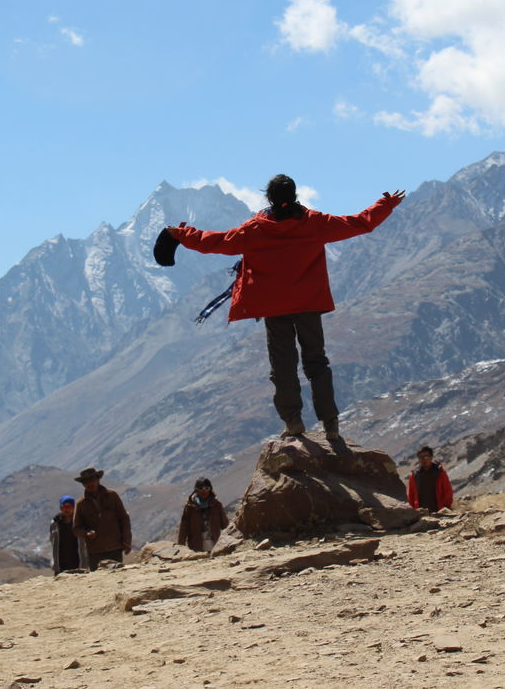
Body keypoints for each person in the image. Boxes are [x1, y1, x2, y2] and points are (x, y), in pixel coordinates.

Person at [168, 175, 404, 439]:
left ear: (269, 198)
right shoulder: (315, 223)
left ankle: (293, 423)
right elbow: (360, 223)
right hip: (308, 305)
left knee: (283, 366)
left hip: (274, 307)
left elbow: (216, 242)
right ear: (294, 195)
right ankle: (330, 424)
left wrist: (181, 235)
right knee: (316, 363)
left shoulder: (255, 229)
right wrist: (386, 204)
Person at [71, 467, 132, 570]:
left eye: (92, 480)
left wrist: (127, 539)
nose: (90, 484)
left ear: (98, 480)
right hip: (95, 551)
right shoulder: (81, 504)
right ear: (83, 484)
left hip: (115, 547)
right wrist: (86, 533)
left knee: (117, 578)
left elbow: (123, 518)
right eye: (86, 482)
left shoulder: (112, 496)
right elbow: (76, 529)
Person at [176, 477, 228, 553]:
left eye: (206, 488)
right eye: (200, 488)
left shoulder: (216, 505)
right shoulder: (190, 507)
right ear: (196, 490)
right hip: (196, 547)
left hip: (215, 545)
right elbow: (184, 528)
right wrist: (181, 547)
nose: (204, 491)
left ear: (210, 489)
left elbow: (225, 525)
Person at [407, 446, 454, 512]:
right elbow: (411, 495)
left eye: (426, 457)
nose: (424, 459)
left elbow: (448, 491)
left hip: (439, 511)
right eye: (421, 457)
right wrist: (413, 511)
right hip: (421, 513)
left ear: (431, 457)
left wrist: (446, 507)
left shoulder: (440, 472)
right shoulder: (414, 475)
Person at [49, 495, 83, 574]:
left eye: (69, 507)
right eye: (64, 507)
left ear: (74, 508)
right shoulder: (55, 523)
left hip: (77, 559)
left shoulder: (79, 522)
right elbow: (52, 540)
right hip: (61, 561)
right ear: (61, 508)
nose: (67, 510)